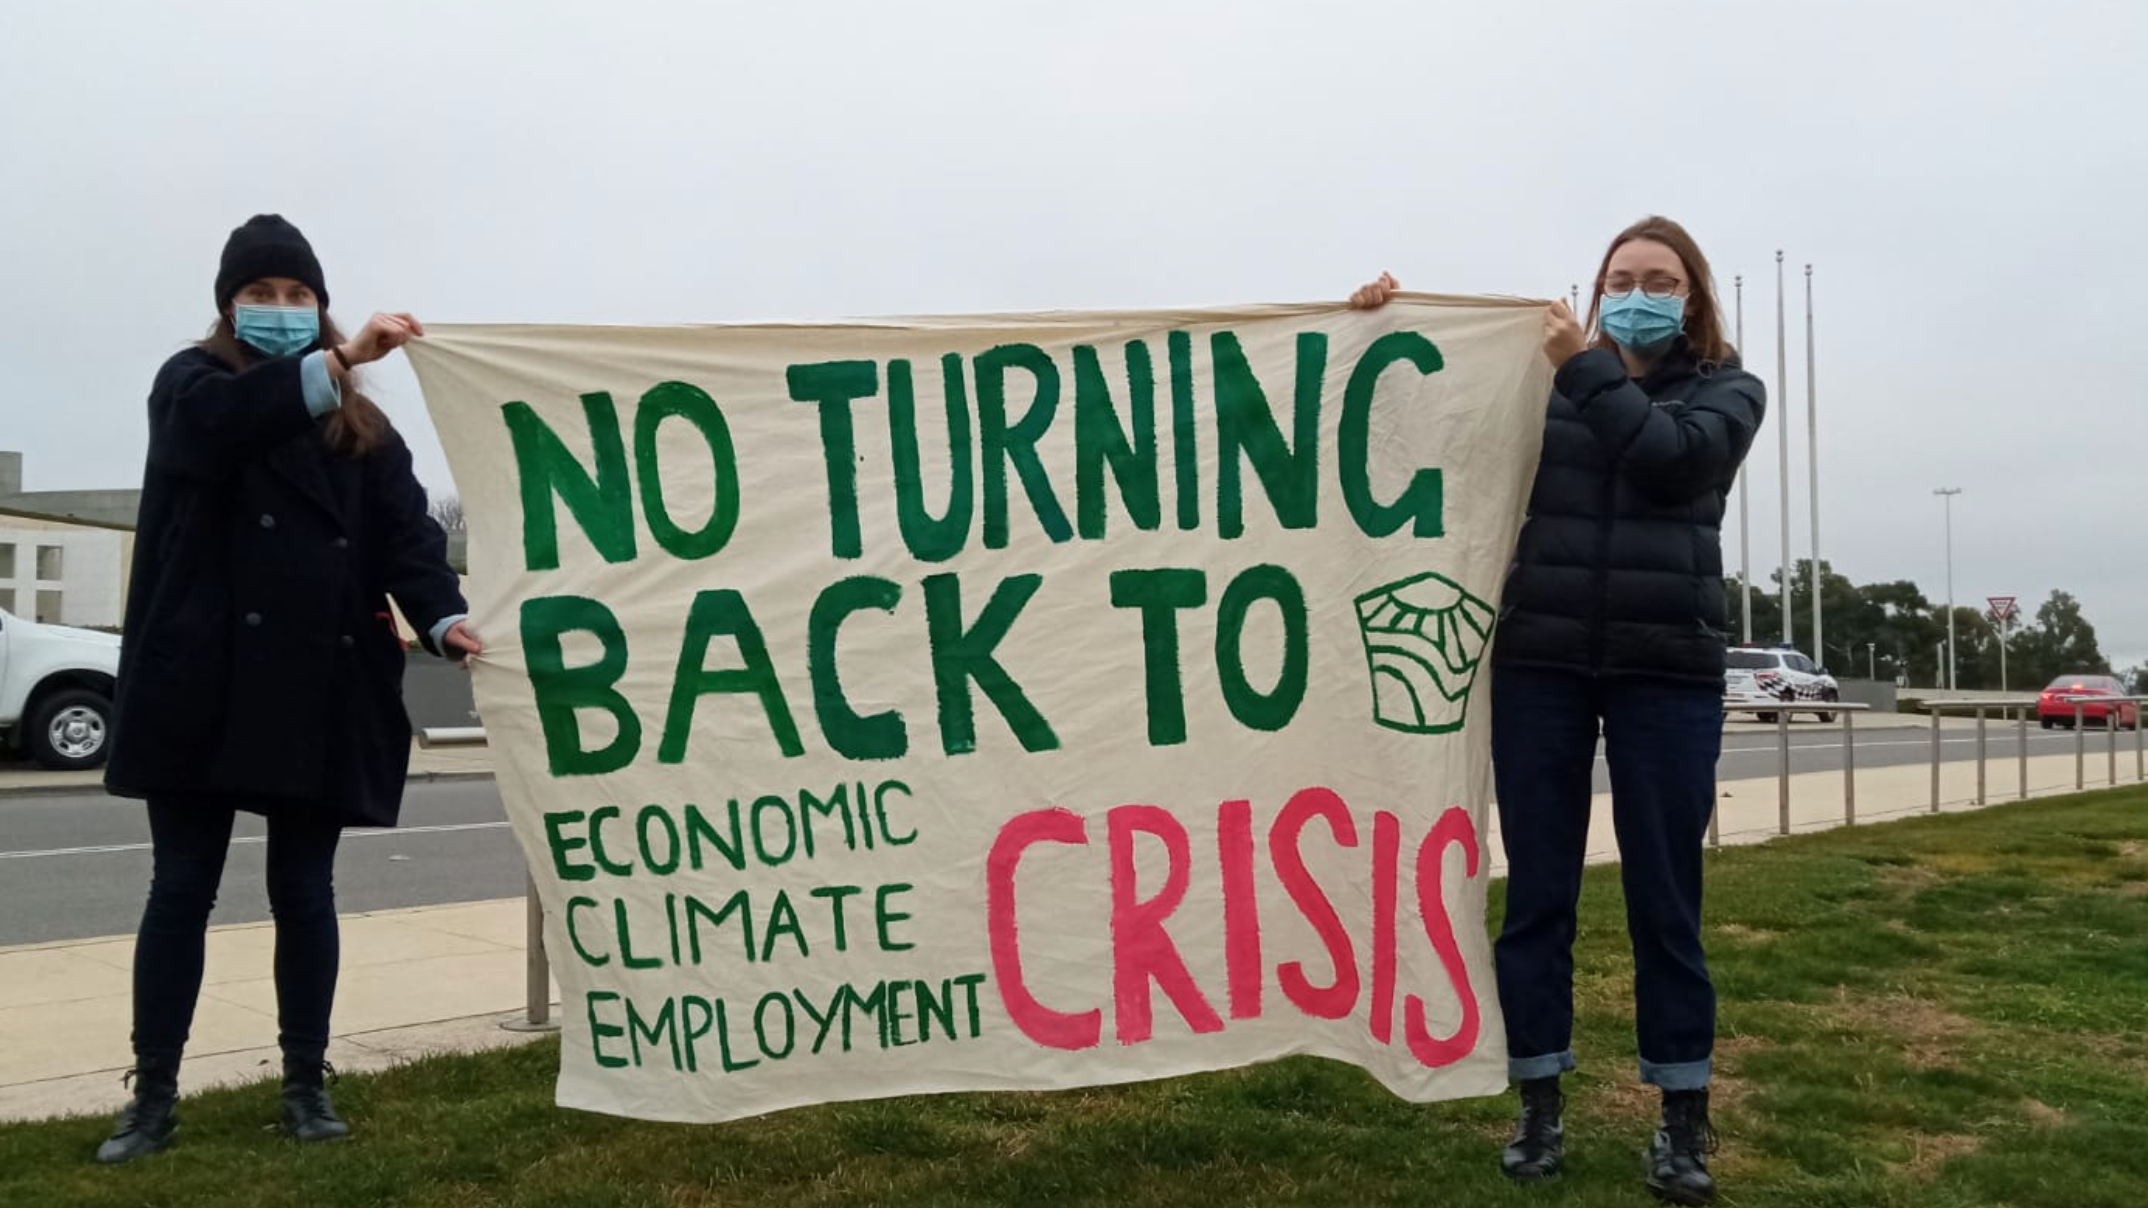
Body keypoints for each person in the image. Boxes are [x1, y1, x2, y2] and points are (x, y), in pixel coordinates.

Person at [1350, 216, 1762, 1206]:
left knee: (1668, 903)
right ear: (1596, 283)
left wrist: (1583, 367)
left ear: (1694, 297)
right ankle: (1538, 1099)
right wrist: (1378, 325)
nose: (1637, 291)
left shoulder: (1727, 390)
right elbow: (1424, 428)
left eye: (1659, 279)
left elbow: (1668, 460)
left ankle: (1680, 1115)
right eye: (1621, 276)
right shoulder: (1546, 380)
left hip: (1667, 672)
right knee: (1537, 897)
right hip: (1542, 666)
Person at [95, 215, 480, 1164]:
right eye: (259, 296)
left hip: (321, 683)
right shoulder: (190, 386)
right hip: (202, 682)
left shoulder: (366, 428)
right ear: (228, 306)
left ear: (319, 301)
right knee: (180, 888)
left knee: (304, 890)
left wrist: (441, 617)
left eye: (296, 295)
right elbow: (216, 432)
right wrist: (340, 359)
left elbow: (406, 537)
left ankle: (305, 1083)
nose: (278, 310)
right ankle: (152, 1096)